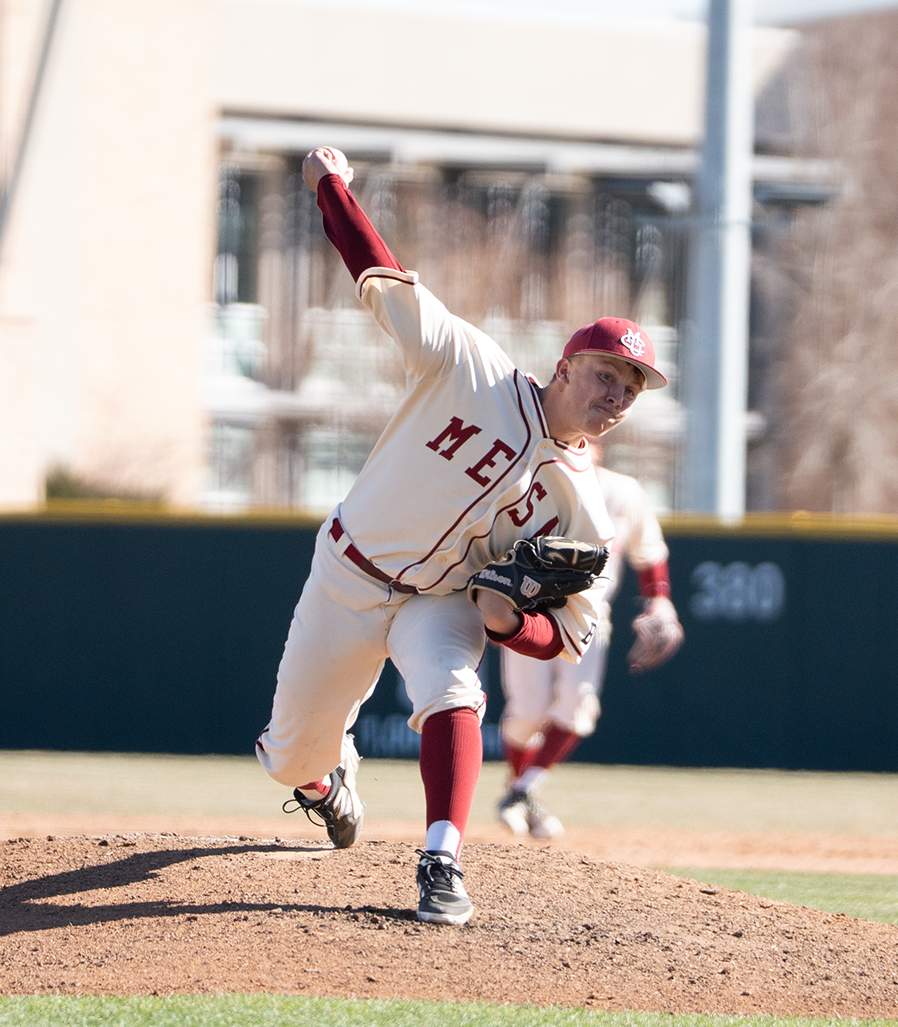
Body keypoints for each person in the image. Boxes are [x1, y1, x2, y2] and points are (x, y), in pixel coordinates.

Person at [255, 146, 667, 925]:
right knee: (289, 756)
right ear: (567, 364)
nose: (617, 395)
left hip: (438, 601)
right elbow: (381, 280)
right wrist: (329, 188)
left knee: (455, 692)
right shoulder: (472, 370)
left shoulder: (585, 510)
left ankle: (440, 859)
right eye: (607, 374)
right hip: (348, 572)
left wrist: (516, 623)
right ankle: (324, 781)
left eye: (631, 389)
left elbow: (570, 638)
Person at [496, 445, 684, 839]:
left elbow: (648, 553)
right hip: (528, 610)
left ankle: (519, 792)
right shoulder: (528, 485)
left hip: (588, 615)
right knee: (526, 711)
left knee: (578, 703)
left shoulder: (622, 492)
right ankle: (521, 795)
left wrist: (661, 601)